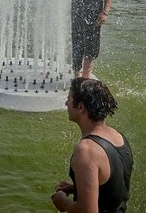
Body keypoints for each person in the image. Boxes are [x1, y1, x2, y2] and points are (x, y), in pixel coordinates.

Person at [51, 78, 133, 213]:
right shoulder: (118, 137)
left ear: (81, 107)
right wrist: (77, 187)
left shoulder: (87, 150)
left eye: (69, 99)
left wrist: (62, 201)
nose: (66, 103)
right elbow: (114, 187)